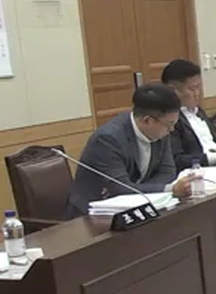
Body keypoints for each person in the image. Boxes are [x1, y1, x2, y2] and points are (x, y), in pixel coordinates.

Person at [65, 83, 192, 218]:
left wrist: (144, 190)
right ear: (147, 121)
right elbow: (120, 188)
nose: (171, 130)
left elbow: (167, 171)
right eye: (169, 124)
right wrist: (170, 189)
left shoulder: (160, 131)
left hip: (137, 207)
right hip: (93, 214)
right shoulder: (108, 139)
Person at [160, 59, 216, 171]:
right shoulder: (168, 119)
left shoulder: (198, 111)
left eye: (198, 87)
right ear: (173, 90)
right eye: (192, 89)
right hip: (200, 171)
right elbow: (177, 160)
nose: (197, 93)